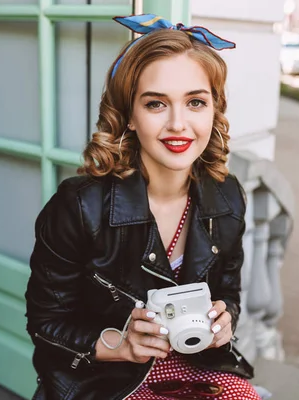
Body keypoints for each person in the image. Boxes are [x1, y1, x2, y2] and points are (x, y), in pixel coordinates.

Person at [25, 14, 263, 400]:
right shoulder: (79, 206)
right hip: (108, 380)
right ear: (130, 116)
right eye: (156, 104)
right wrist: (121, 345)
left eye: (196, 102)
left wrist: (225, 320)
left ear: (213, 110)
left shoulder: (228, 196)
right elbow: (45, 324)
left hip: (199, 363)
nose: (178, 124)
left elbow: (229, 292)